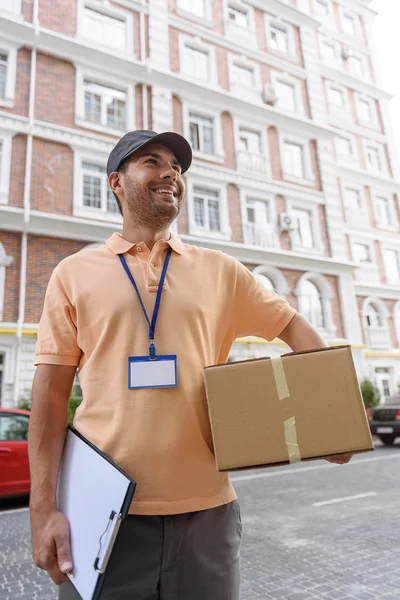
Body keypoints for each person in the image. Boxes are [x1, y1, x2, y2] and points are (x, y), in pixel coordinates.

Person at [28, 129, 353, 600]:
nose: (171, 173)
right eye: (152, 161)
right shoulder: (73, 273)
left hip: (208, 514)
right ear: (117, 182)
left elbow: (294, 326)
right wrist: (43, 509)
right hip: (103, 515)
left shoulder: (220, 269)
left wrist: (333, 421)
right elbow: (51, 394)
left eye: (177, 167)